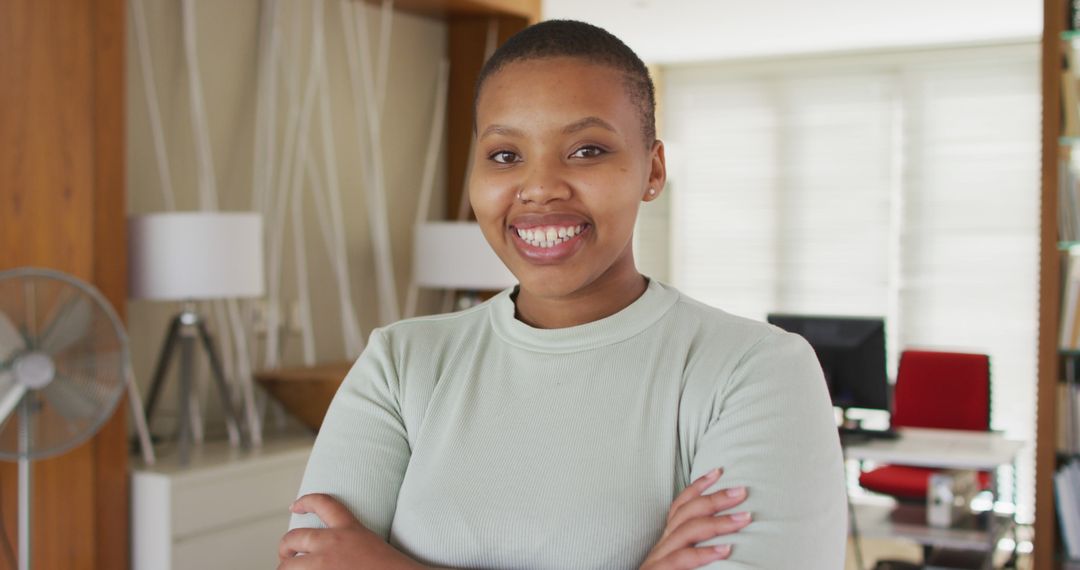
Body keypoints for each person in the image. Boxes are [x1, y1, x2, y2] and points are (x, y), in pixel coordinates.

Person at [278, 19, 846, 570]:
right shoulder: (400, 366)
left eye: (586, 150)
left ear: (652, 170)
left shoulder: (755, 370)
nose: (541, 187)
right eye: (505, 155)